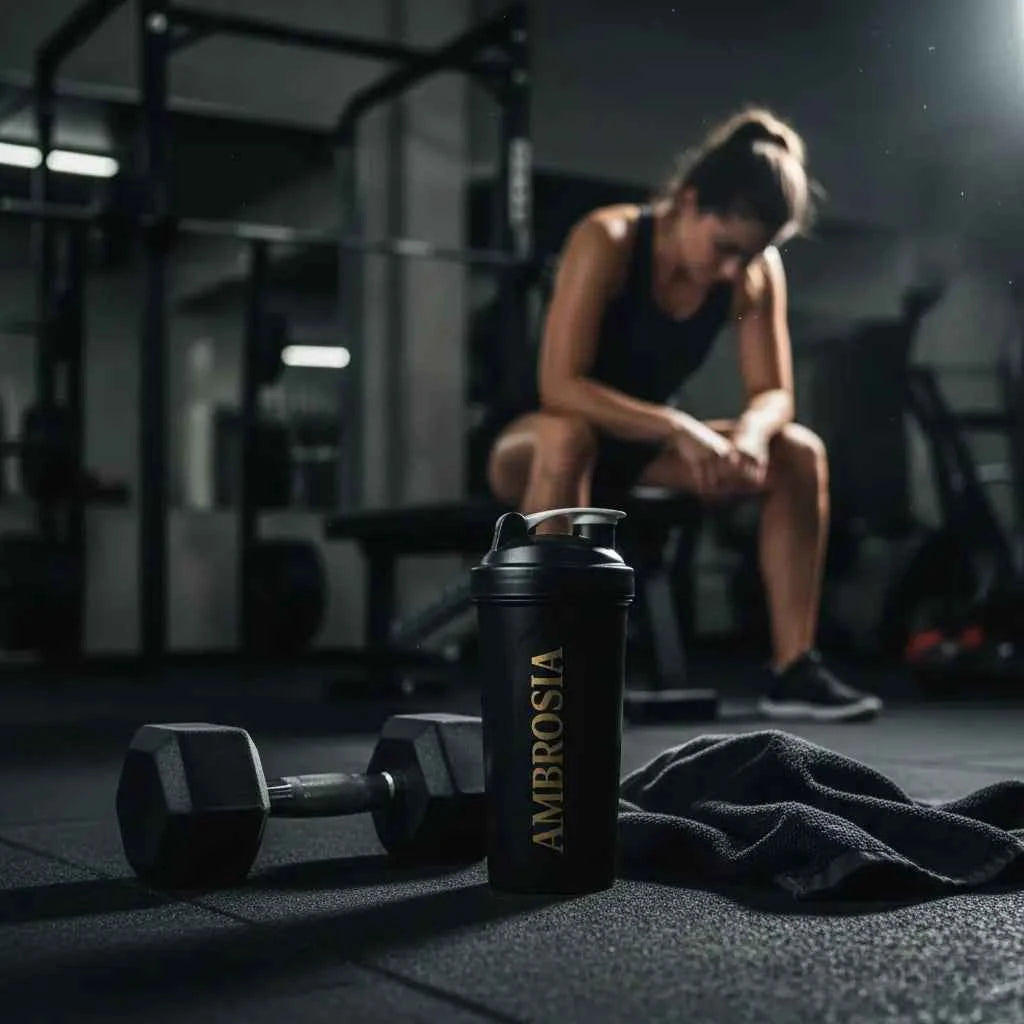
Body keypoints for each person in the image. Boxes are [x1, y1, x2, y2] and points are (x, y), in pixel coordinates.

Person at [485, 107, 883, 723]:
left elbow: (773, 393)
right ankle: (550, 673)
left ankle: (794, 670)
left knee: (798, 452)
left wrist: (750, 439)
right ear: (690, 201)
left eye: (748, 256)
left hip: (638, 451)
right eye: (725, 248)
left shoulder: (753, 271)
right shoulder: (609, 238)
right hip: (533, 442)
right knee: (568, 436)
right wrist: (679, 427)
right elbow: (560, 385)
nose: (732, 270)